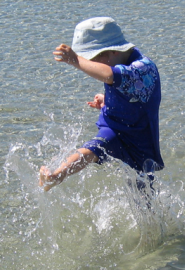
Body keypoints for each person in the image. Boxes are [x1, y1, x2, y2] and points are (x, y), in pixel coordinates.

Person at [39, 17, 164, 191]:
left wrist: (75, 60)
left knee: (143, 195)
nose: (91, 66)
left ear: (112, 51)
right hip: (114, 129)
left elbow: (110, 75)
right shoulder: (119, 62)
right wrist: (109, 101)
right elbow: (130, 91)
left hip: (137, 140)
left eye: (93, 60)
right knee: (93, 148)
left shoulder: (143, 68)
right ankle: (56, 176)